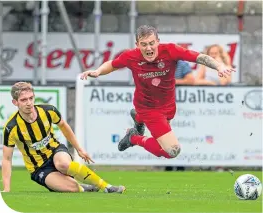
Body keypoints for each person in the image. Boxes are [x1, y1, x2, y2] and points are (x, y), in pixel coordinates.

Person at [80, 25, 235, 160]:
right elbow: (112, 64)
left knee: (162, 149)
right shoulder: (131, 56)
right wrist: (98, 71)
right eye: (144, 44)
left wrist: (219, 66)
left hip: (168, 106)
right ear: (137, 45)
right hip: (148, 108)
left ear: (158, 42)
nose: (149, 48)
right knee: (172, 151)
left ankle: (138, 119)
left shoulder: (170, 50)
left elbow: (198, 57)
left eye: (152, 43)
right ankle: (134, 137)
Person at [2, 82, 125, 193]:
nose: (29, 103)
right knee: (73, 188)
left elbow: (63, 126)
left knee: (63, 164)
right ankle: (84, 188)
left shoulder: (48, 111)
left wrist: (79, 149)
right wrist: (6, 189)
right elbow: (7, 159)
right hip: (38, 168)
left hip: (55, 150)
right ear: (15, 102)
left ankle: (106, 187)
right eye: (24, 100)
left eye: (31, 98)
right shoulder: (11, 127)